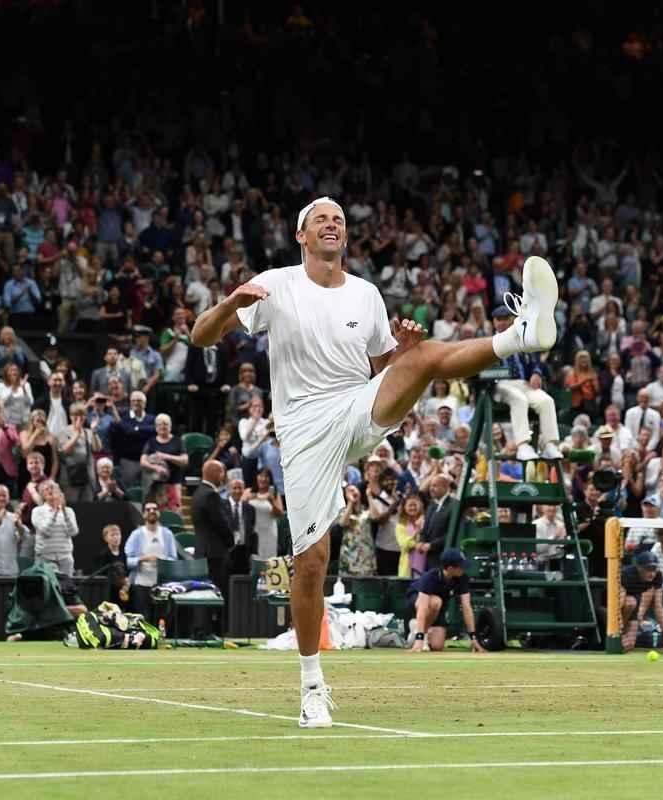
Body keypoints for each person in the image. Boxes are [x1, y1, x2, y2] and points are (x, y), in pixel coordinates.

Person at [190, 196, 556, 726]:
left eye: (338, 219)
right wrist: (230, 305)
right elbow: (200, 334)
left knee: (426, 356)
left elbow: (387, 368)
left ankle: (522, 334)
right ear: (302, 236)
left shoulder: (366, 294)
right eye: (321, 219)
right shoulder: (276, 284)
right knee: (313, 560)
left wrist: (402, 353)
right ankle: (311, 685)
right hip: (304, 428)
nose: (332, 224)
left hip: (357, 405)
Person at [489, 304, 560, 460]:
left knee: (546, 401)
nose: (501, 323)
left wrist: (536, 373)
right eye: (498, 320)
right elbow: (484, 369)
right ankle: (523, 446)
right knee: (519, 399)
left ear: (511, 320)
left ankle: (549, 444)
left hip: (523, 383)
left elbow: (536, 360)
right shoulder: (489, 342)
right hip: (500, 385)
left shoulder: (522, 340)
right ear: (493, 322)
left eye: (505, 319)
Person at [404, 547, 485, 654]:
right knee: (436, 602)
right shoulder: (430, 577)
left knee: (437, 646)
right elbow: (422, 607)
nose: (464, 569)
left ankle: (418, 633)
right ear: (450, 568)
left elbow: (467, 608)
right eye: (461, 566)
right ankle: (419, 633)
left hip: (438, 610)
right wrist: (420, 638)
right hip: (417, 605)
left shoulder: (462, 578)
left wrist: (473, 639)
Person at [124, 508, 180, 621]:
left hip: (162, 584)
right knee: (144, 618)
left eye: (155, 509)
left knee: (162, 618)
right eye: (148, 509)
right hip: (141, 582)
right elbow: (128, 560)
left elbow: (174, 559)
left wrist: (161, 560)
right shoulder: (136, 534)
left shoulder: (167, 534)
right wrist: (142, 559)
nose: (152, 511)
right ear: (144, 514)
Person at [191, 460, 234, 600]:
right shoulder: (211, 495)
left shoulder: (198, 492)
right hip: (214, 554)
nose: (223, 476)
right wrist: (230, 542)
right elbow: (220, 524)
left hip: (202, 552)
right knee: (216, 595)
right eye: (222, 472)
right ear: (214, 473)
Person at [620, 549, 663, 652]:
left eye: (654, 569)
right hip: (615, 605)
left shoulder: (657, 577)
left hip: (634, 608)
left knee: (628, 645)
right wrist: (618, 622)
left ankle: (621, 637)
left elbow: (658, 606)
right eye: (648, 569)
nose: (652, 573)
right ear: (639, 568)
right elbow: (620, 599)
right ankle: (617, 633)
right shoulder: (627, 574)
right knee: (631, 602)